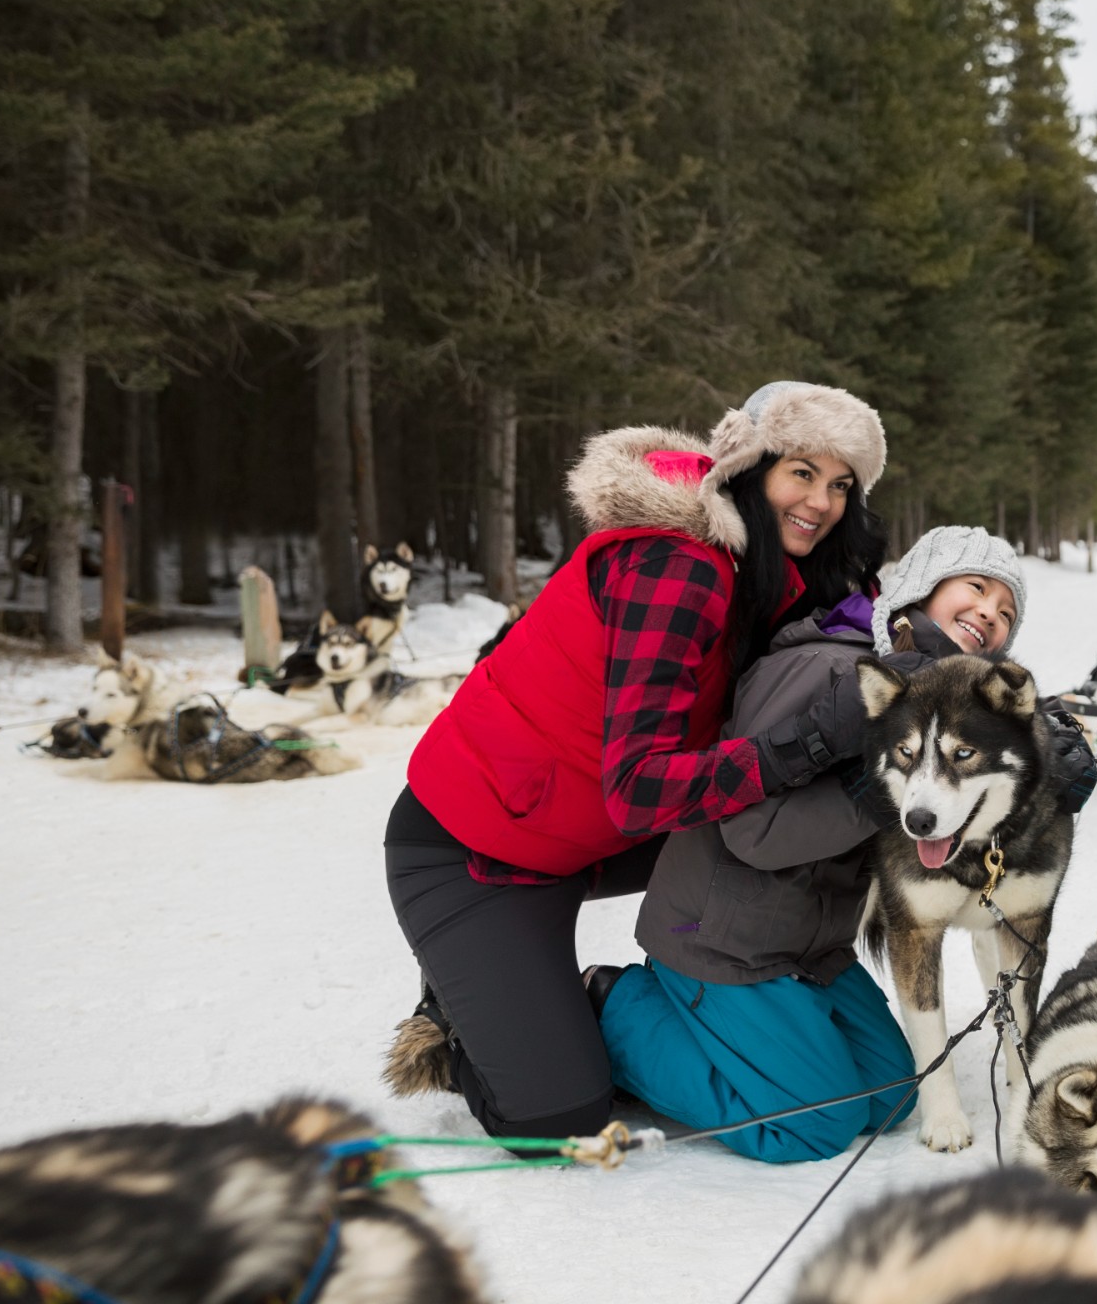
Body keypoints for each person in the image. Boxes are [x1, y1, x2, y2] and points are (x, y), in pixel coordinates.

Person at [380, 383, 889, 1144]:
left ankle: (734, 994)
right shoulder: (678, 567)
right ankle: (471, 1015)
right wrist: (813, 741)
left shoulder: (769, 573)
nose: (821, 501)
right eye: (802, 472)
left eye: (842, 483)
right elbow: (641, 789)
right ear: (749, 468)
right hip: (477, 853)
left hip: (580, 839)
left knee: (765, 821)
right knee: (555, 1119)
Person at [594, 525, 1067, 1161]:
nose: (991, 611)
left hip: (814, 945)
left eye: (1007, 611)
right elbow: (751, 832)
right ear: (920, 589)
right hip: (726, 937)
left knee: (894, 1097)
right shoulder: (824, 666)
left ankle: (735, 1031)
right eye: (975, 588)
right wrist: (880, 795)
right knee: (813, 1124)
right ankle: (619, 1006)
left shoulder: (934, 701)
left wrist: (1050, 768)